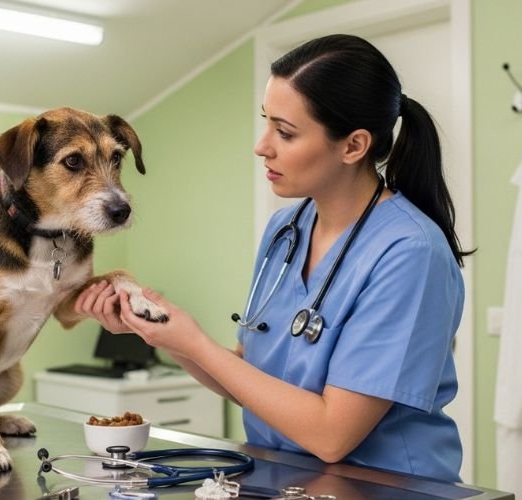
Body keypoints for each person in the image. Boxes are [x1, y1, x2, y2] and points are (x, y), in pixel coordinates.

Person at [75, 34, 471, 482]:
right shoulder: (286, 230)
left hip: (386, 489)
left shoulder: (410, 253)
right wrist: (159, 332)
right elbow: (249, 381)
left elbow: (331, 435)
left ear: (353, 145)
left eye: (285, 132)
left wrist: (197, 343)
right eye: (267, 123)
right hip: (283, 480)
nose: (262, 146)